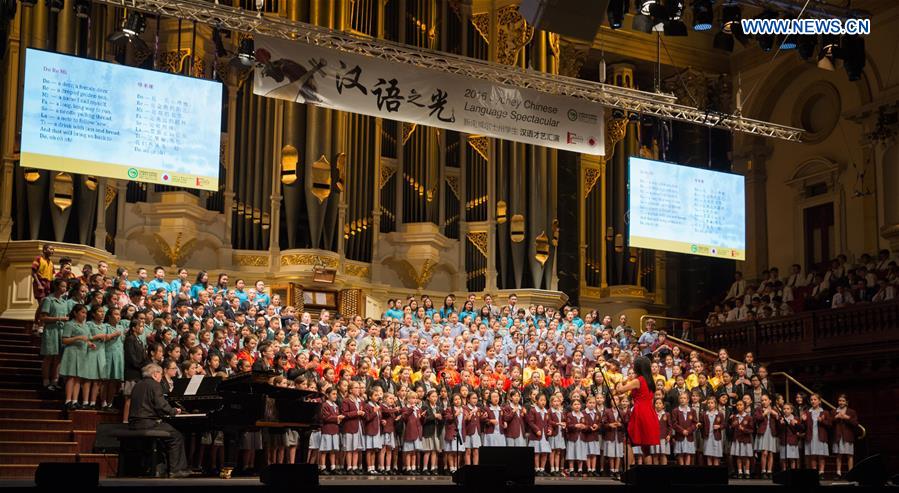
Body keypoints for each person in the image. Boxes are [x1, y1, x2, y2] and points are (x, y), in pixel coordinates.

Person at [128, 363, 190, 478]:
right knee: (177, 436)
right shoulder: (155, 385)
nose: (161, 377)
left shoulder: (138, 385)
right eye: (161, 374)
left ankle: (160, 468)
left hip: (134, 423)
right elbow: (161, 406)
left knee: (165, 435)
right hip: (148, 424)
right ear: (155, 374)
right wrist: (174, 411)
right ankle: (176, 470)